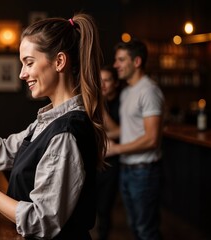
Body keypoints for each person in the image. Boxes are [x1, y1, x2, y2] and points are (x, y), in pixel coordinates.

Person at [0, 13, 107, 239]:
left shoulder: (65, 133)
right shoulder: (48, 121)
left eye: (29, 63)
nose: (22, 74)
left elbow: (41, 221)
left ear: (59, 61)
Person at [106, 39, 164, 240]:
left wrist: (115, 149)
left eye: (121, 60)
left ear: (137, 61)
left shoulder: (149, 91)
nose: (116, 65)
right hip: (127, 169)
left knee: (146, 230)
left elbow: (151, 139)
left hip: (144, 172)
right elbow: (128, 129)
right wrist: (101, 138)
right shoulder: (128, 91)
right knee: (135, 227)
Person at [95, 65, 121, 240]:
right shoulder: (95, 102)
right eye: (100, 80)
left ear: (116, 83)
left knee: (105, 207)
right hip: (96, 159)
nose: (102, 84)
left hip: (114, 161)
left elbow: (121, 131)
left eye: (107, 80)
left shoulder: (122, 103)